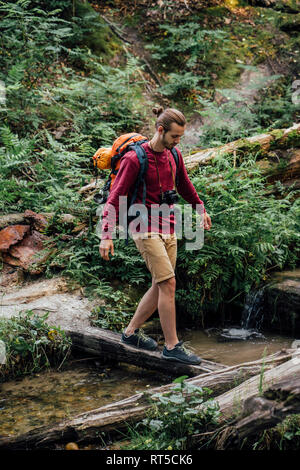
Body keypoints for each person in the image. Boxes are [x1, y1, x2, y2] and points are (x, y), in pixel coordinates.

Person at [99, 107, 212, 365]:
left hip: (168, 224)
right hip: (142, 224)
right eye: (174, 136)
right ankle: (172, 346)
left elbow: (183, 183)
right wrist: (106, 234)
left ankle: (130, 333)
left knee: (160, 284)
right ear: (160, 130)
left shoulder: (174, 154)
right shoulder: (134, 159)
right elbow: (114, 198)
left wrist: (200, 208)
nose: (177, 142)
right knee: (168, 284)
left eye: (180, 137)